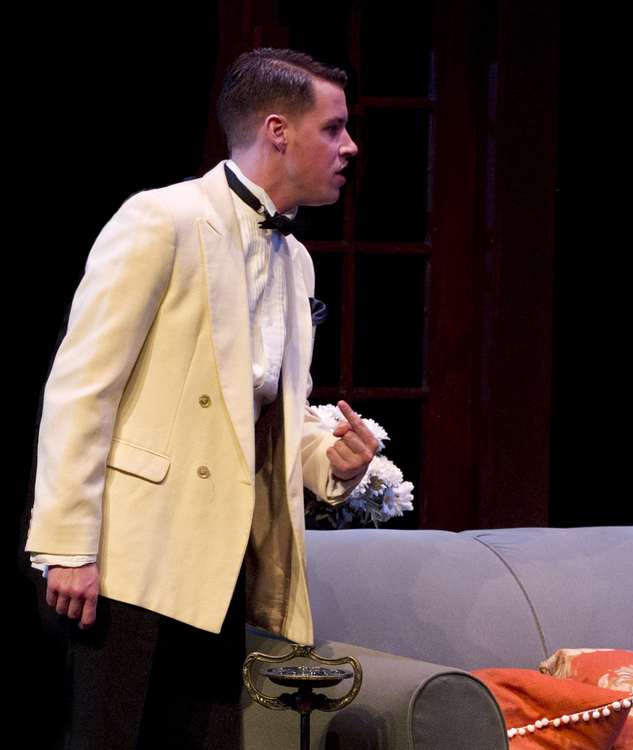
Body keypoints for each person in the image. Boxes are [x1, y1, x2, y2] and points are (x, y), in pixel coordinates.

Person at [25, 48, 378, 749]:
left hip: (219, 560)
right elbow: (82, 388)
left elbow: (266, 409)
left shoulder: (295, 259)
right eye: (333, 128)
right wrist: (67, 545)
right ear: (278, 131)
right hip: (128, 557)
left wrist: (330, 460)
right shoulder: (163, 219)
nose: (349, 147)